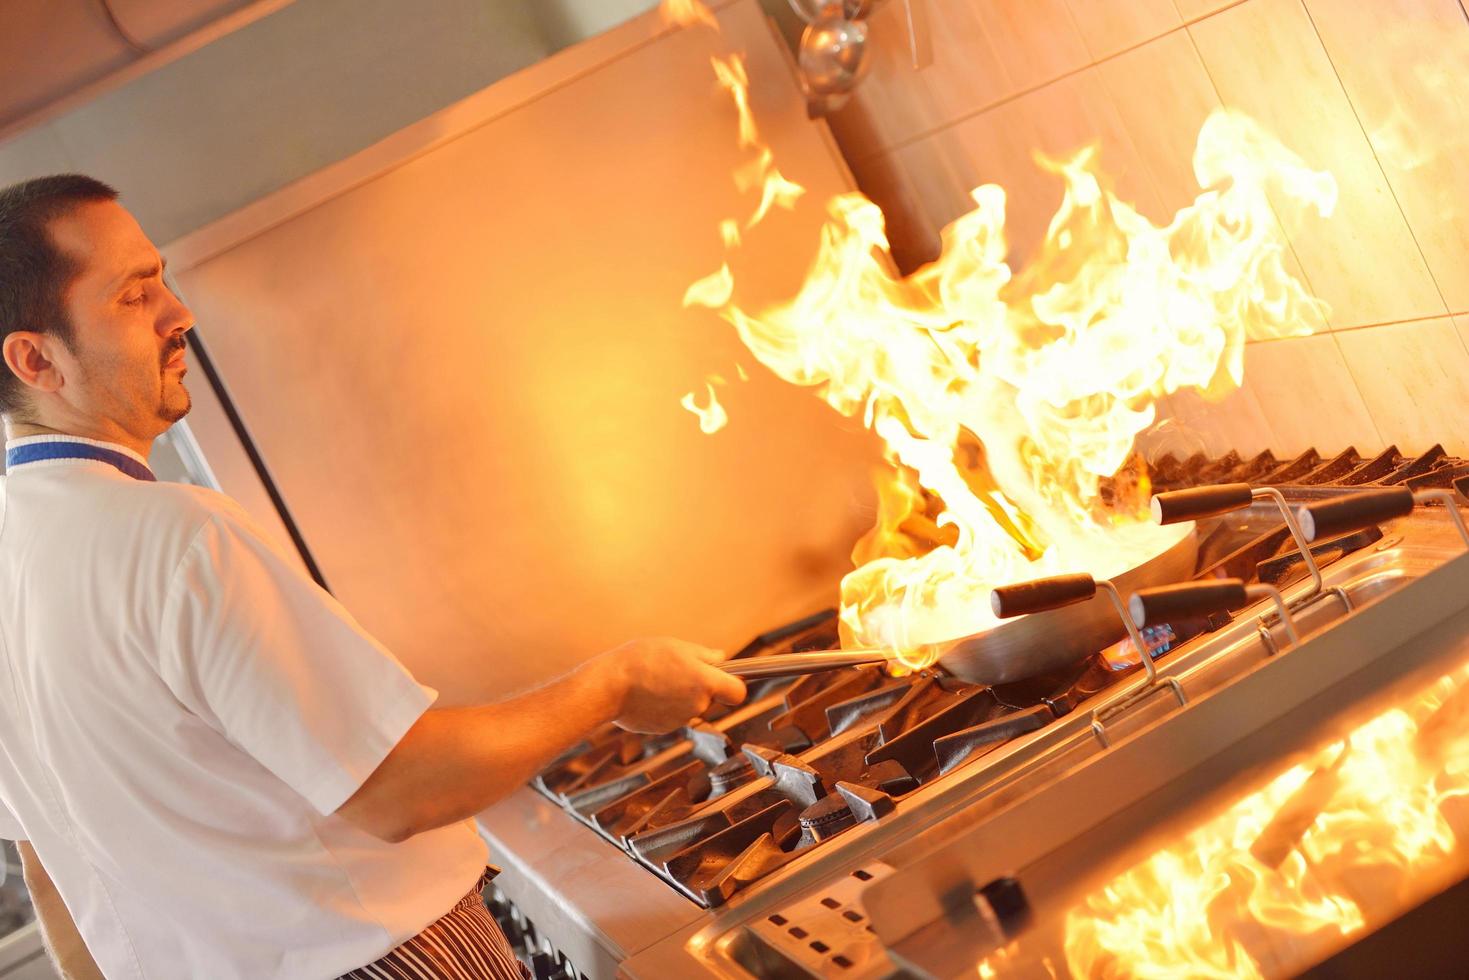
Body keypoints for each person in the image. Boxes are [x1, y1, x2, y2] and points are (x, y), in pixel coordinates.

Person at [0, 175, 747, 979]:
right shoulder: (177, 537)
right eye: (133, 295)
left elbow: (52, 872)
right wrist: (615, 684)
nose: (178, 312)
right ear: (37, 358)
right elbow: (399, 789)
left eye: (162, 278)